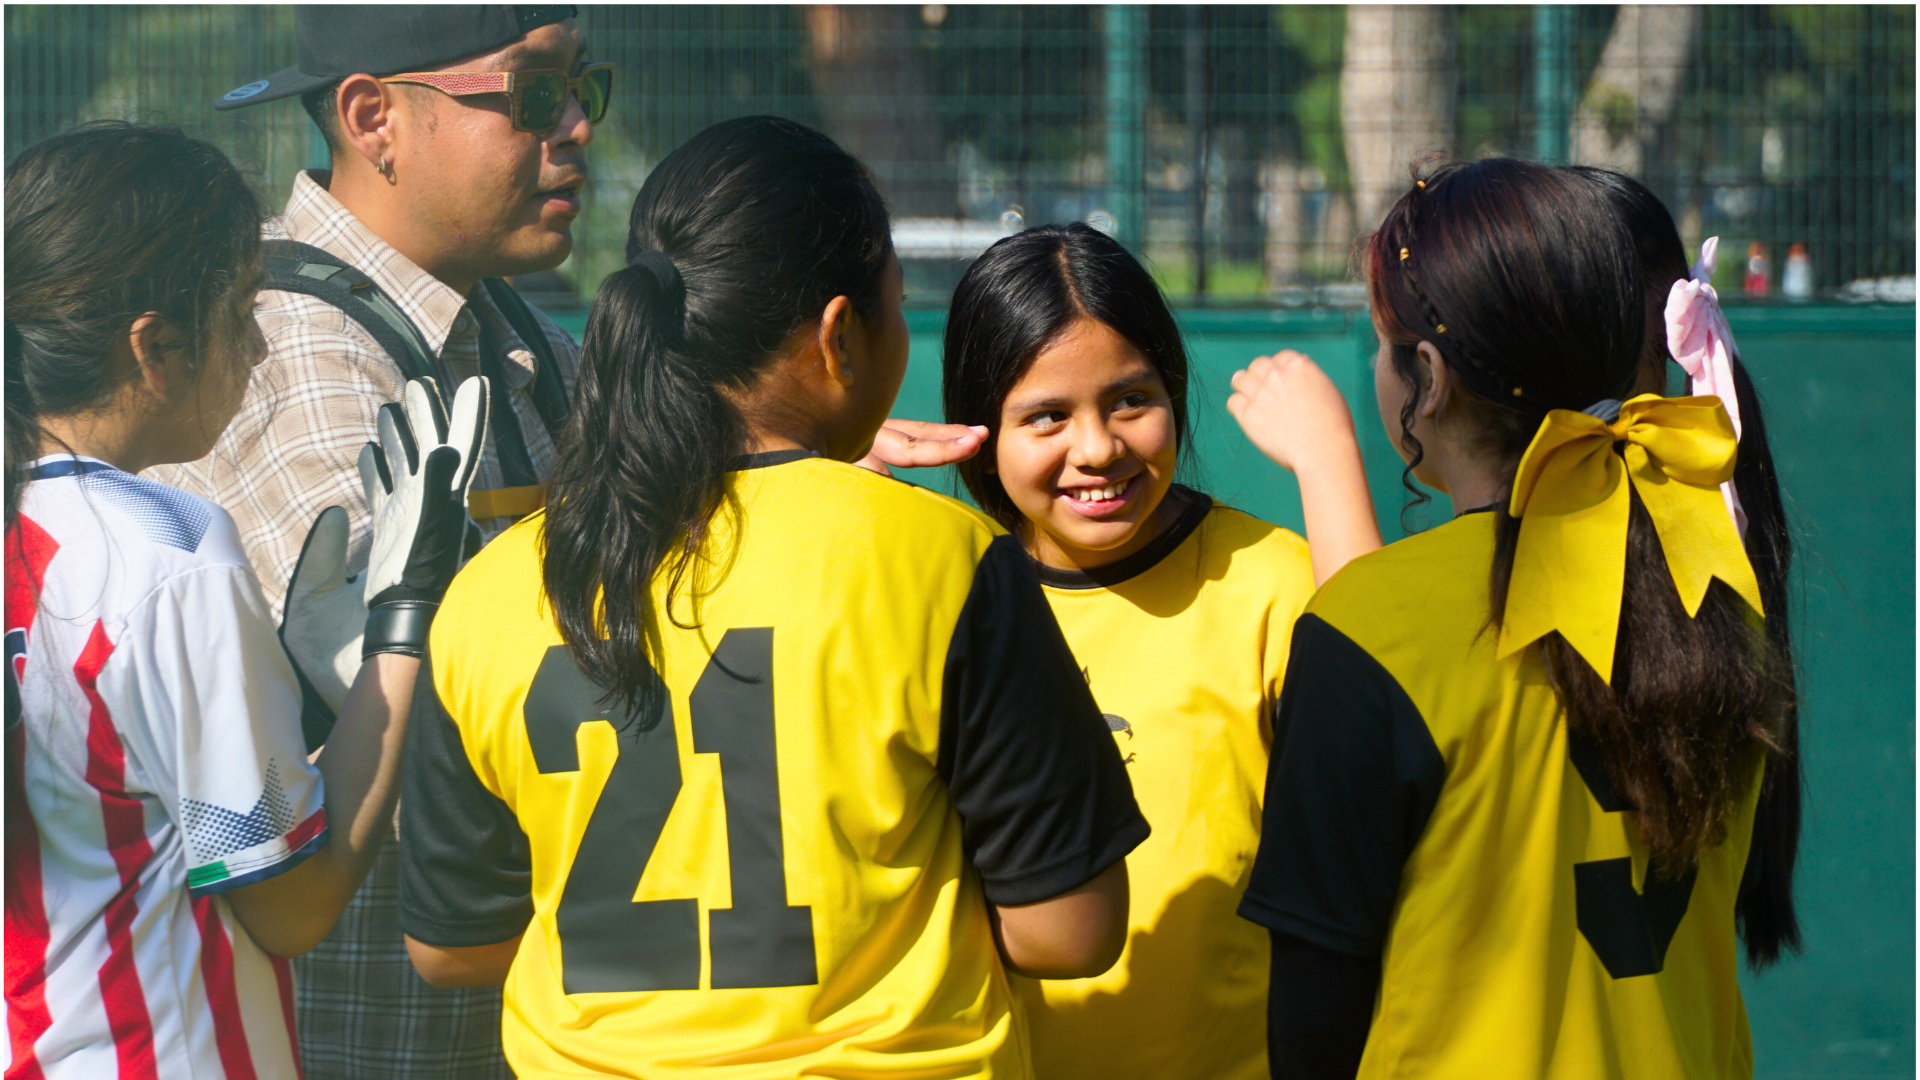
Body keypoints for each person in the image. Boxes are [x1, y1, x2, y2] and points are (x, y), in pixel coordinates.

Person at [160, 10, 986, 1076]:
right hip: (367, 1038)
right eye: (535, 94)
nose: (578, 130)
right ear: (373, 118)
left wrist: (798, 493)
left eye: (581, 91)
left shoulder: (505, 330)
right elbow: (426, 754)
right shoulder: (302, 366)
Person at [396, 115, 1147, 1079]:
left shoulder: (492, 588)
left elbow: (452, 946)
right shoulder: (942, 560)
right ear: (840, 335)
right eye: (896, 303)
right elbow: (1069, 932)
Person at [1237, 158, 1800, 1080]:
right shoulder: (1718, 579)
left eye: (1386, 344)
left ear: (1427, 376)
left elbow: (1314, 1013)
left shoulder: (1371, 620)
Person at [4, 122, 480, 1080]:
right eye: (239, 310)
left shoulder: (41, 535)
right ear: (156, 349)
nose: (262, 345)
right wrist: (400, 627)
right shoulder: (169, 553)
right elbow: (286, 903)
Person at [936, 222, 1379, 1080]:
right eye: (1048, 417)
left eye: (1130, 400)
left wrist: (1329, 462)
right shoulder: (942, 592)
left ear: (1174, 394)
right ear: (980, 430)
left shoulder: (1273, 587)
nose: (1097, 447)